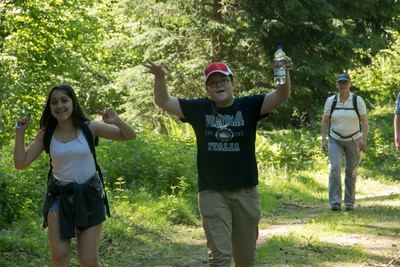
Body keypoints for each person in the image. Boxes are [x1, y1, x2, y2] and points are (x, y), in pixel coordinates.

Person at [142, 57, 292, 266]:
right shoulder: (200, 109)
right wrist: (160, 77)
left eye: (223, 81)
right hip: (212, 193)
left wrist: (282, 73)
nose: (219, 85)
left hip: (246, 193)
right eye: (213, 83)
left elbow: (281, 95)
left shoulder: (249, 106)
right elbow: (163, 101)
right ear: (208, 89)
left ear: (233, 84)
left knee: (245, 259)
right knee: (220, 257)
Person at [14, 84, 136, 267]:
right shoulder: (46, 133)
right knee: (60, 258)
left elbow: (129, 136)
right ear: (50, 107)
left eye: (64, 100)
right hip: (58, 197)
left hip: (89, 196)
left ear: (73, 103)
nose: (59, 106)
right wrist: (19, 133)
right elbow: (21, 163)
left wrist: (117, 121)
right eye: (54, 102)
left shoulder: (90, 127)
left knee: (88, 261)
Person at [321, 73, 368, 212]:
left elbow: (364, 122)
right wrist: (323, 139)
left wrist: (363, 139)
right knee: (335, 168)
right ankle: (335, 202)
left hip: (354, 140)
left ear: (350, 84)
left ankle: (349, 202)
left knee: (351, 171)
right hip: (335, 139)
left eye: (345, 83)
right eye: (340, 83)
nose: (343, 85)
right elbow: (325, 121)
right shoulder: (331, 100)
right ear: (337, 85)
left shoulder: (357, 100)